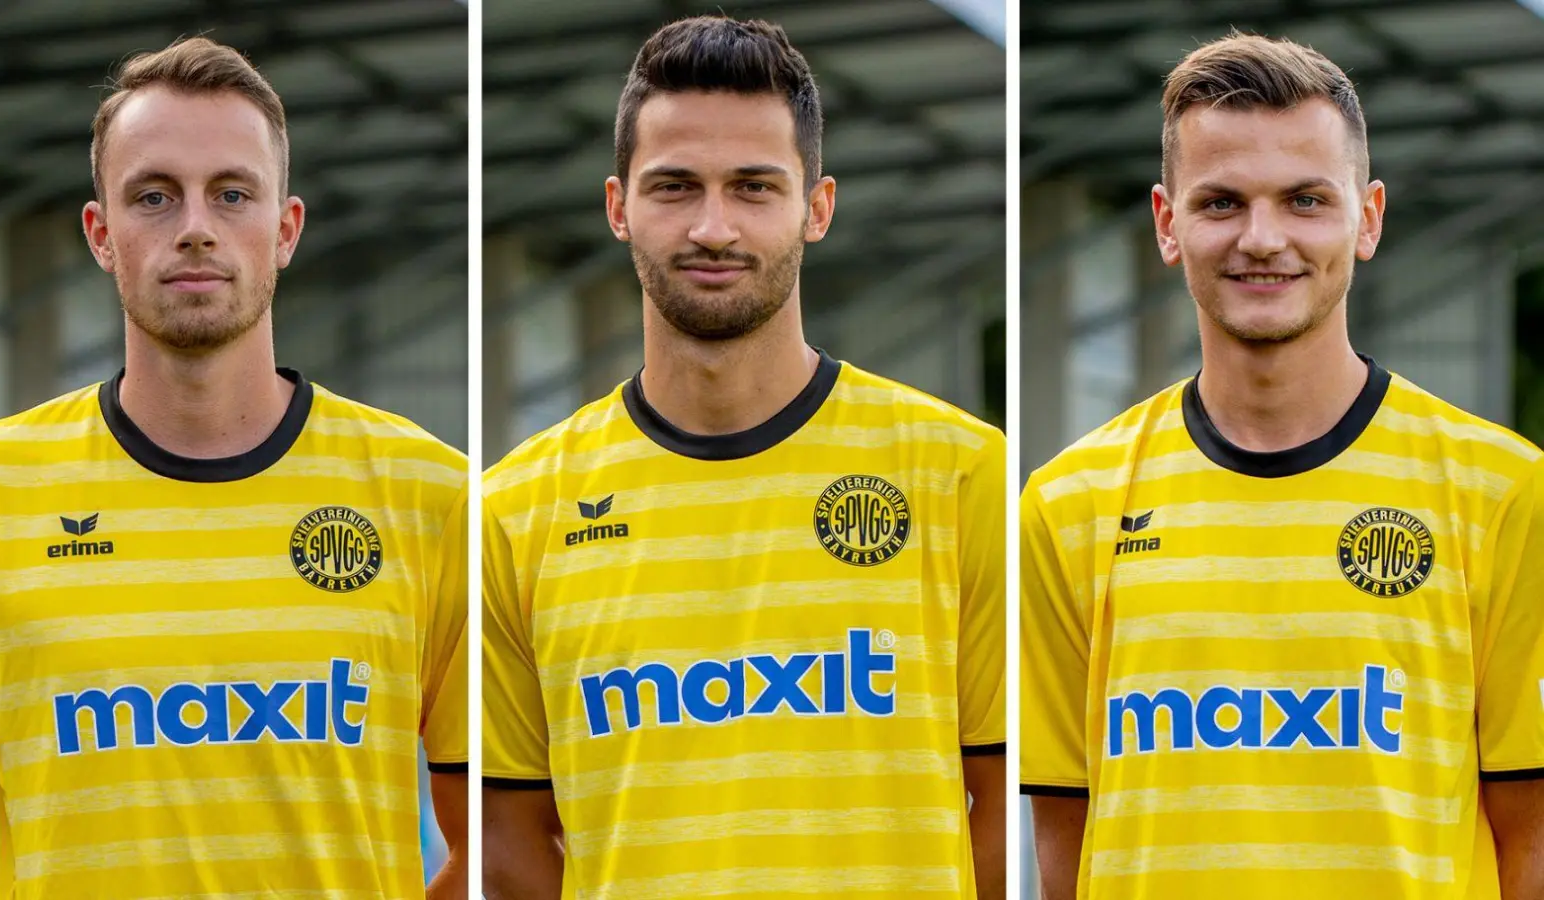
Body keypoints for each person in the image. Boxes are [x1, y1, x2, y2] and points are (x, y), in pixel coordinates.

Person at [481, 14, 1006, 900]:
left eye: (755, 187)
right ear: (619, 208)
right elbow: (512, 845)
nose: (713, 227)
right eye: (675, 187)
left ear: (818, 207)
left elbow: (996, 810)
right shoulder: (515, 509)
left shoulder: (960, 473)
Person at [1021, 32, 1544, 900]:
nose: (1264, 239)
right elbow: (1066, 842)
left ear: (1367, 217)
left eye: (1305, 200)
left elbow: (1528, 838)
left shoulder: (1502, 489)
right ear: (1167, 223)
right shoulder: (1068, 504)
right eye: (1222, 203)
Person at [0, 38, 468, 898]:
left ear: (285, 229)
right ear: (101, 234)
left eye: (232, 194)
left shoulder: (428, 493)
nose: (195, 226)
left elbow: (495, 843)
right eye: (154, 196)